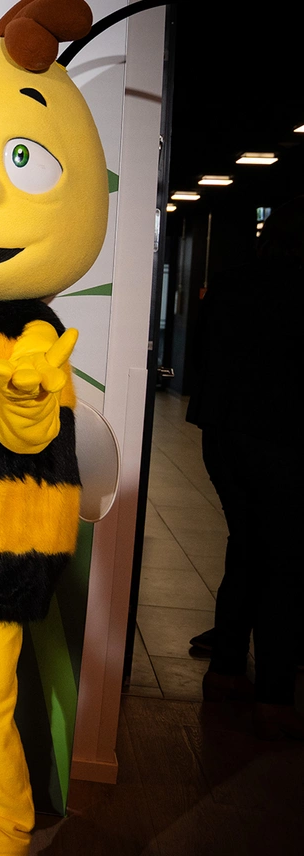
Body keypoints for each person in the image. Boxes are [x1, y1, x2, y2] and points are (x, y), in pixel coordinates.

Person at [186, 196, 304, 740]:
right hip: (284, 438)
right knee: (283, 561)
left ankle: (227, 670)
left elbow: (203, 356)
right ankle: (276, 692)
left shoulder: (232, 280)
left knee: (248, 544)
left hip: (225, 433)